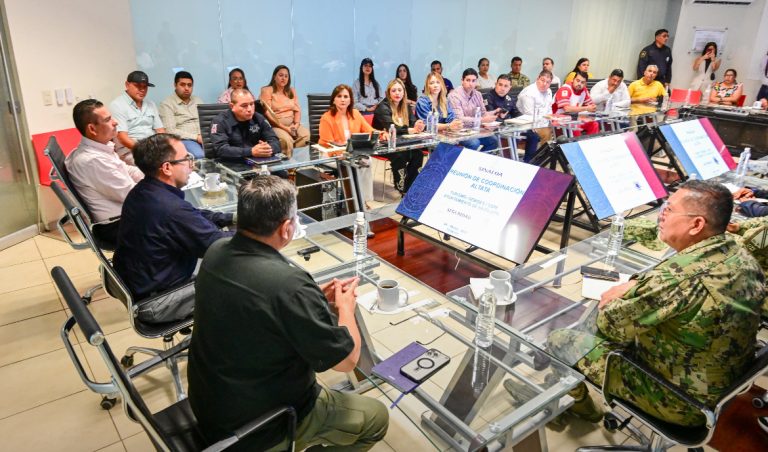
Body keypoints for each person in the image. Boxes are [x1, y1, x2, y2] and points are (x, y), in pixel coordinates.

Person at [187, 176, 388, 451]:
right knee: (376, 417)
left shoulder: (216, 250)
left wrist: (310, 297)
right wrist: (346, 308)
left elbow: (254, 300)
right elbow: (346, 361)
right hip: (259, 425)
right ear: (286, 229)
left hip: (212, 403)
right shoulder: (288, 284)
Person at [546, 180, 766, 426]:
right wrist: (638, 285)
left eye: (669, 209)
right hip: (725, 385)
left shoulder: (677, 277)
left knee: (562, 339)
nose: (662, 215)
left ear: (696, 224)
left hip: (681, 400)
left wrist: (626, 292)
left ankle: (580, 406)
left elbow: (611, 325)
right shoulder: (740, 255)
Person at [112, 133, 234, 321]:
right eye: (186, 159)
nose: (191, 165)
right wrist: (254, 228)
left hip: (142, 284)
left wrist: (230, 218)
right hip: (159, 302)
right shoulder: (171, 209)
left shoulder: (144, 190)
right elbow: (219, 247)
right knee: (245, 280)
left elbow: (193, 214)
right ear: (167, 168)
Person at [66, 99, 144, 245]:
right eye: (108, 120)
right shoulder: (93, 161)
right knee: (178, 221)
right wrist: (161, 183)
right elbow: (132, 195)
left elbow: (125, 169)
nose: (115, 122)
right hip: (117, 226)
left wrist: (153, 174)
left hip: (125, 215)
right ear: (92, 129)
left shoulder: (100, 147)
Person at [319, 84, 383, 210]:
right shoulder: (326, 117)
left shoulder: (355, 114)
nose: (343, 99)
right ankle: (353, 203)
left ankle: (363, 200)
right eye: (339, 96)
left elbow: (369, 130)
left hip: (352, 153)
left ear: (350, 100)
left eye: (346, 96)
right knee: (354, 163)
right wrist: (344, 154)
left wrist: (382, 134)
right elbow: (326, 142)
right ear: (333, 100)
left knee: (367, 161)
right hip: (331, 154)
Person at [373, 79, 426, 194]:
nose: (397, 93)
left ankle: (410, 188)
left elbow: (413, 123)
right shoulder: (382, 107)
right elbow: (391, 128)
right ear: (388, 93)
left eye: (399, 90)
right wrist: (409, 130)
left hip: (401, 142)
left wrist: (418, 124)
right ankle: (401, 188)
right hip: (383, 144)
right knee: (400, 154)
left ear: (403, 92)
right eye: (394, 90)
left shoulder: (405, 106)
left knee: (418, 154)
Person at [109, 70, 165, 165]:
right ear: (127, 85)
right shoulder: (117, 105)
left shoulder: (151, 104)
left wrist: (164, 147)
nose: (142, 90)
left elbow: (160, 131)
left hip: (153, 148)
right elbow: (123, 138)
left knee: (179, 159)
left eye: (145, 87)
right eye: (138, 86)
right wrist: (146, 150)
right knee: (158, 165)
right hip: (130, 151)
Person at [210, 89, 281, 159]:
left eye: (252, 104)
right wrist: (250, 151)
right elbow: (220, 149)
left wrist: (267, 148)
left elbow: (275, 141)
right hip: (233, 162)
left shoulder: (258, 118)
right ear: (232, 106)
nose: (250, 109)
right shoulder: (220, 121)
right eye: (244, 106)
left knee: (282, 170)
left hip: (258, 160)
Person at [485, 74, 540, 162]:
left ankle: (528, 162)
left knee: (533, 135)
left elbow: (516, 113)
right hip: (497, 129)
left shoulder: (509, 98)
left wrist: (528, 123)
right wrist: (508, 124)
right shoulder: (489, 97)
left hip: (511, 127)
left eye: (506, 86)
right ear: (496, 84)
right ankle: (509, 161)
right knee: (513, 136)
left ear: (510, 87)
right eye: (500, 84)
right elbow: (490, 117)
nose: (502, 88)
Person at [259, 65, 309, 157]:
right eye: (281, 75)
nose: (284, 78)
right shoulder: (267, 90)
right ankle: (288, 167)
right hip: (275, 125)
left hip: (292, 124)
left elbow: (297, 110)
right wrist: (285, 128)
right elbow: (267, 114)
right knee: (286, 140)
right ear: (274, 77)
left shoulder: (291, 91)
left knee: (306, 135)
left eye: (286, 76)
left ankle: (296, 160)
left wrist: (296, 125)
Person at [447, 68, 499, 151]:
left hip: (475, 129)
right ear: (462, 80)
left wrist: (495, 113)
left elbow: (483, 113)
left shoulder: (478, 94)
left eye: (473, 81)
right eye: (468, 80)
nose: (471, 84)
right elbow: (459, 119)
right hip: (460, 131)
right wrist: (481, 120)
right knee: (474, 143)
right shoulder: (454, 96)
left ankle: (478, 161)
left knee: (494, 141)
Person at [159, 71, 204, 159]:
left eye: (189, 85)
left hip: (203, 136)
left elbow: (206, 120)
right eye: (182, 85)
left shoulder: (197, 100)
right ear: (175, 85)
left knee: (223, 149)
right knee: (199, 155)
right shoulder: (167, 104)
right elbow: (170, 130)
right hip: (185, 139)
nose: (187, 88)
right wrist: (196, 137)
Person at [553, 71, 599, 135]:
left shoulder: (584, 90)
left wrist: (592, 107)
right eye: (577, 80)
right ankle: (578, 144)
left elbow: (592, 106)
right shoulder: (565, 89)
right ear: (573, 80)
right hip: (559, 120)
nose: (579, 84)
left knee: (594, 124)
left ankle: (590, 143)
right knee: (576, 127)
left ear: (585, 84)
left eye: (582, 82)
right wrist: (586, 108)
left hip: (574, 119)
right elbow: (567, 109)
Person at [517, 70, 555, 144]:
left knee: (558, 130)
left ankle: (543, 153)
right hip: (528, 123)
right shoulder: (529, 92)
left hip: (543, 122)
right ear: (537, 79)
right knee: (546, 133)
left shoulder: (549, 91)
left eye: (548, 82)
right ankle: (540, 154)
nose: (544, 84)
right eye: (542, 80)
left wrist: (551, 120)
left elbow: (549, 108)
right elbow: (528, 114)